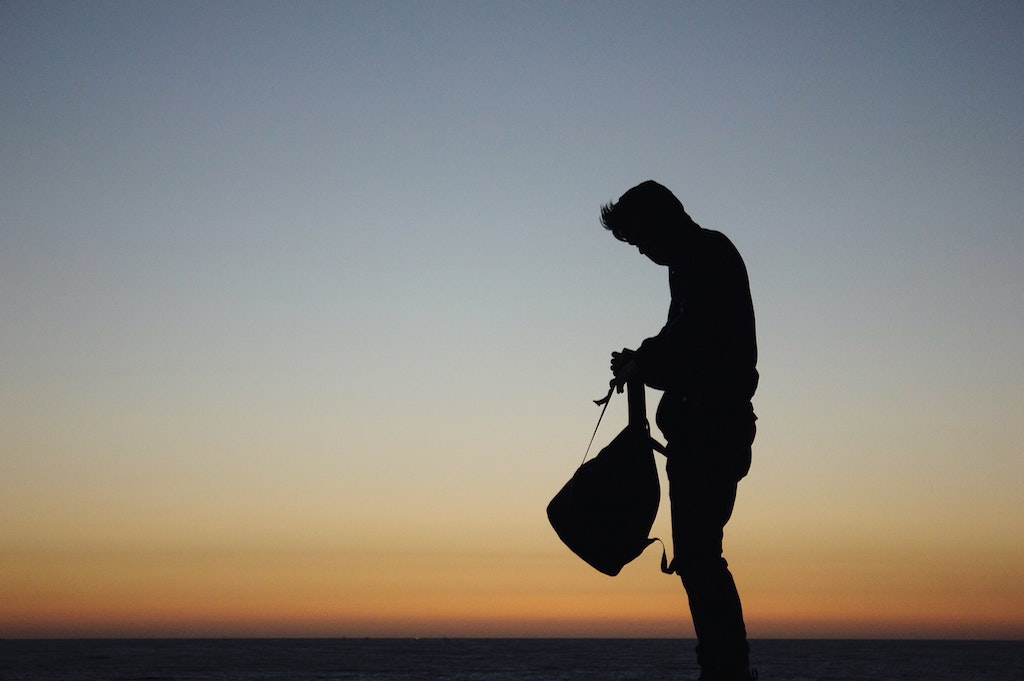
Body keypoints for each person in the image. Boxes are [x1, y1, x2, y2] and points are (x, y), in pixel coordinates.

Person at [601, 181, 758, 681]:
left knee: (698, 556)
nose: (642, 251)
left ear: (661, 218)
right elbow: (677, 341)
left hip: (713, 432)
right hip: (699, 433)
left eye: (641, 238)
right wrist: (642, 360)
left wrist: (646, 363)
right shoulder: (688, 265)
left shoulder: (707, 256)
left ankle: (727, 672)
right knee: (696, 556)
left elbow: (698, 349)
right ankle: (722, 668)